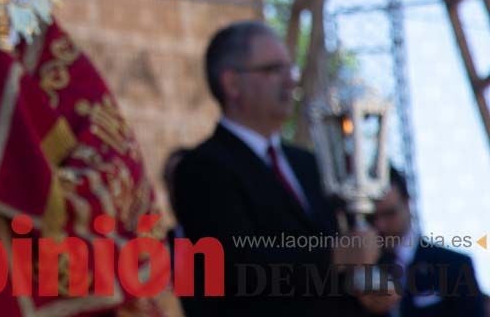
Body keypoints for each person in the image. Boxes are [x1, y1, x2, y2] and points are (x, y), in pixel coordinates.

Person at [172, 20, 395, 316]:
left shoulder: (308, 164)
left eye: (290, 70)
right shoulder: (204, 169)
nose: (290, 81)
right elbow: (239, 266)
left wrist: (372, 283)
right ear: (232, 83)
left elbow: (348, 241)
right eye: (273, 70)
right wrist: (334, 256)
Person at [370, 168, 482, 316]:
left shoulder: (455, 267)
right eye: (371, 217)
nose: (380, 225)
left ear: (408, 204)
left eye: (389, 214)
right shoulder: (358, 271)